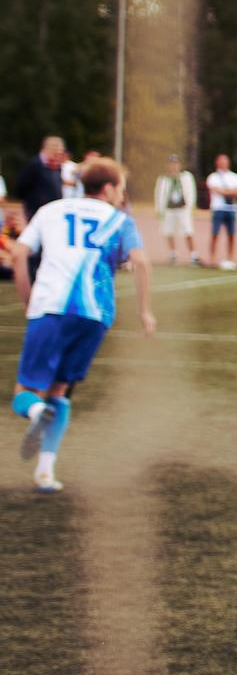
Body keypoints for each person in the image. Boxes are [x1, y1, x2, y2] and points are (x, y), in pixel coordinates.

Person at [6, 158, 153, 495]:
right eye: (120, 187)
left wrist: (29, 300)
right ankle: (45, 472)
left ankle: (37, 411)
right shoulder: (119, 220)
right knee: (61, 391)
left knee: (24, 395)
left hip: (51, 307)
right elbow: (139, 261)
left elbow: (18, 254)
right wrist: (145, 311)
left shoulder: (51, 210)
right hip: (95, 314)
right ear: (108, 188)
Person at [153, 155, 198, 266]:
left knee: (188, 231)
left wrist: (190, 206)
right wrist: (158, 209)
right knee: (168, 231)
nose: (173, 166)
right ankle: (173, 254)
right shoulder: (163, 179)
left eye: (175, 163)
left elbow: (191, 192)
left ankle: (194, 255)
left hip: (182, 208)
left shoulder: (185, 177)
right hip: (169, 209)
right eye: (171, 164)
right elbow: (158, 194)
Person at [202, 153, 237, 269]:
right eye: (221, 161)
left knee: (231, 234)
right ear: (217, 163)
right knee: (215, 233)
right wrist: (231, 191)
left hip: (231, 209)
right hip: (218, 208)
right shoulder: (213, 177)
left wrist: (224, 191)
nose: (223, 163)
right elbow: (215, 189)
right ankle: (212, 258)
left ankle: (230, 259)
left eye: (225, 161)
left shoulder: (235, 177)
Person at [14, 136, 67, 218]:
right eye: (56, 153)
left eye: (60, 154)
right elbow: (21, 187)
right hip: (36, 213)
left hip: (53, 211)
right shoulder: (34, 165)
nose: (58, 156)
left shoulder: (57, 167)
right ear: (47, 149)